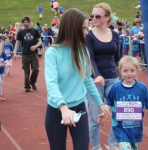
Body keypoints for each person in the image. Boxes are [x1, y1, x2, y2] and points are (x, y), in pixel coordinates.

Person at [44, 8, 108, 150]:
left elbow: (87, 79)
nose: (87, 32)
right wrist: (64, 108)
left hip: (79, 108)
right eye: (84, 28)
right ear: (73, 29)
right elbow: (51, 84)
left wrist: (100, 104)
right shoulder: (52, 52)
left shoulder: (82, 49)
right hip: (57, 110)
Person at [85, 2, 120, 150]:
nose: (94, 18)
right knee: (95, 116)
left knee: (119, 114)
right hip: (95, 80)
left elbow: (119, 58)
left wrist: (124, 77)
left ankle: (113, 144)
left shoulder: (115, 34)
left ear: (107, 17)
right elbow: (90, 58)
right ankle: (96, 147)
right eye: (92, 16)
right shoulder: (89, 36)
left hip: (114, 78)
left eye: (97, 16)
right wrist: (97, 76)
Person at [98, 56, 148, 150]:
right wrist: (105, 113)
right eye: (125, 71)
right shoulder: (116, 87)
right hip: (120, 127)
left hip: (136, 128)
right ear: (120, 71)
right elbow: (109, 102)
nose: (129, 74)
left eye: (132, 70)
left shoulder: (142, 88)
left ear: (137, 71)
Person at [13, 16, 42, 92]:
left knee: (35, 69)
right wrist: (15, 52)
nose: (24, 24)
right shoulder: (21, 32)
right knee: (26, 71)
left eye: (25, 22)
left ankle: (32, 82)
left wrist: (35, 46)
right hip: (25, 54)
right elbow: (17, 42)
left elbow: (40, 41)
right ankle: (27, 86)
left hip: (34, 54)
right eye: (23, 22)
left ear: (29, 22)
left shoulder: (35, 31)